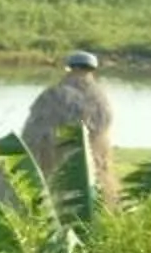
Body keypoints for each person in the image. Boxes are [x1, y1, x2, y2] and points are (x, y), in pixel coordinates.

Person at [23, 49, 118, 201]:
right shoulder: (102, 100)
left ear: (69, 68)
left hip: (51, 157)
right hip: (92, 164)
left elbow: (34, 133)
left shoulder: (54, 94)